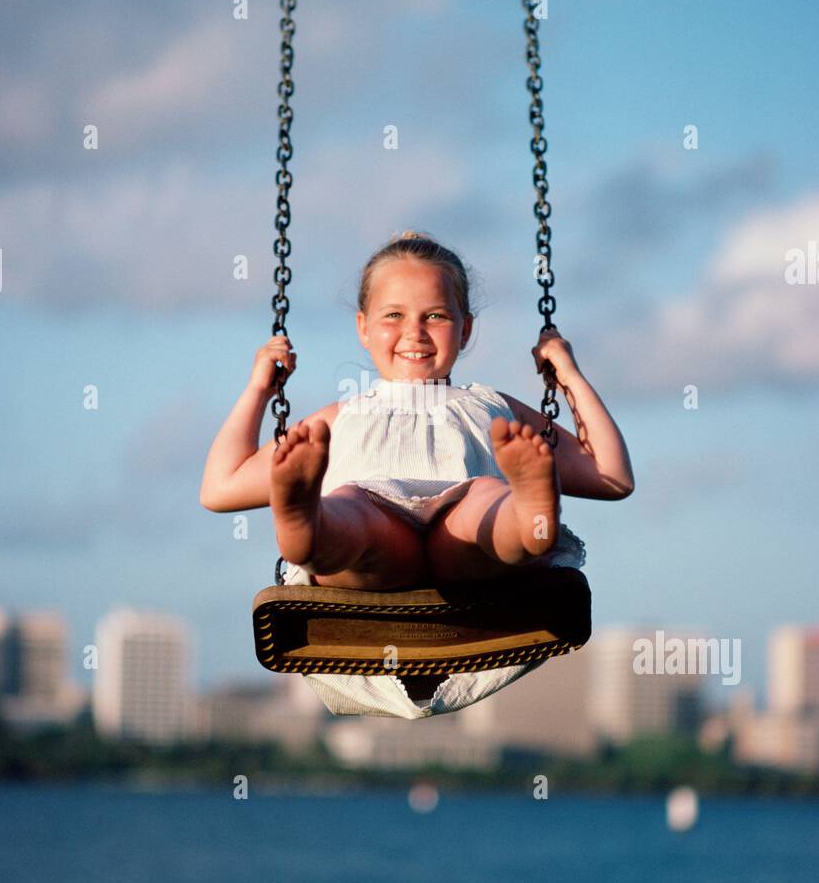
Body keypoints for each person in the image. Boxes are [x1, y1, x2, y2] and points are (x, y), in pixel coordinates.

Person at [200, 231, 634, 718]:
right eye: (394, 316)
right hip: (382, 538)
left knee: (483, 503)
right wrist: (260, 387)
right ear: (363, 328)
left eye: (436, 316)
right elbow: (220, 487)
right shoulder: (340, 417)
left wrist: (568, 375)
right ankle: (308, 527)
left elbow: (612, 476)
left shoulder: (490, 407)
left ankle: (531, 516)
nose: (415, 332)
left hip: (464, 538)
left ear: (465, 329)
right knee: (354, 510)